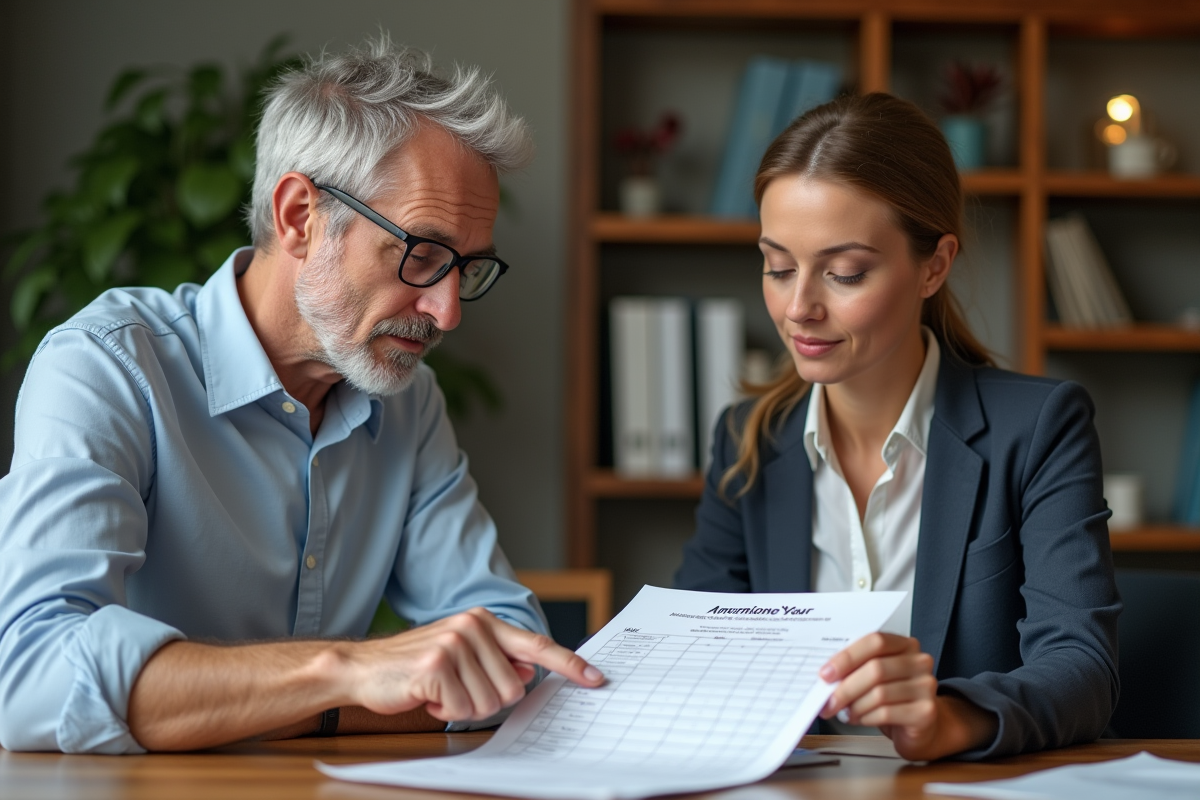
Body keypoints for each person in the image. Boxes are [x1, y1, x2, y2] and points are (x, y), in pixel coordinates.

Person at [0, 38, 603, 754]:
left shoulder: (410, 404)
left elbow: (513, 657)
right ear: (299, 217)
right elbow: (32, 679)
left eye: (466, 267)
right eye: (421, 253)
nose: (447, 312)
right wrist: (346, 671)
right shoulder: (108, 368)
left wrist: (272, 704)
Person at [674, 93, 1120, 761]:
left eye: (844, 272)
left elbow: (1083, 667)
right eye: (777, 266)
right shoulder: (748, 440)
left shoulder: (1038, 428)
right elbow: (699, 653)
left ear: (934, 266)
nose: (799, 308)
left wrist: (947, 720)